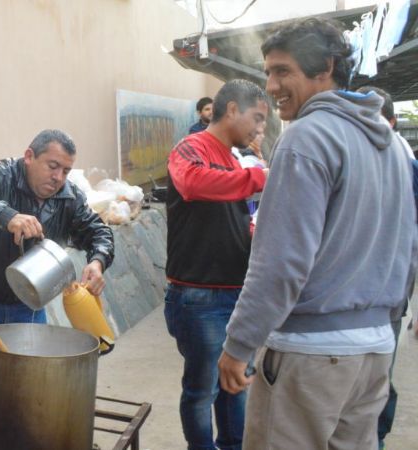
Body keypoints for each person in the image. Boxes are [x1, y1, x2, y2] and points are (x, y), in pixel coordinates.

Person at [218, 18, 417, 450]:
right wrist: (392, 319)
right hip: (375, 351)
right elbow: (409, 244)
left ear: (324, 66)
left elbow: (280, 263)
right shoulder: (395, 144)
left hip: (311, 355)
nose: (271, 85)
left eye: (282, 71)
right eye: (268, 71)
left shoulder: (306, 137)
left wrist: (238, 344)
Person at [0, 129, 115, 427]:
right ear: (29, 157)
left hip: (30, 303)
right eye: (52, 166)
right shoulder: (0, 176)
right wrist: (7, 215)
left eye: (66, 170)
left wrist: (98, 261)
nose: (59, 177)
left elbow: (98, 231)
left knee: (29, 382)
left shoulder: (68, 196)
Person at [165, 79, 268, 450]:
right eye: (256, 118)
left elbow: (237, 215)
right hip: (199, 297)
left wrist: (252, 228)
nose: (259, 129)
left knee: (235, 384)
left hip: (237, 294)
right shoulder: (189, 149)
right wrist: (262, 177)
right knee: (202, 390)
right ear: (232, 109)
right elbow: (192, 183)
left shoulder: (234, 157)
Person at [357, 85, 414, 450]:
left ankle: (375, 440)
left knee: (376, 387)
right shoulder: (343, 155)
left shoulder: (406, 164)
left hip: (387, 303)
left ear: (391, 123)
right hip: (344, 307)